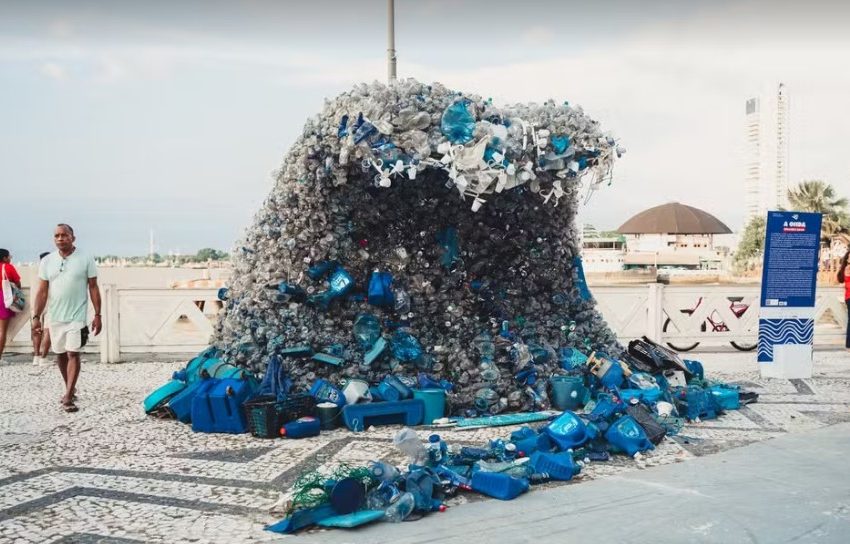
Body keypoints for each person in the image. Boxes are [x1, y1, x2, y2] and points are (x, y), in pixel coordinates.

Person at [32, 225, 102, 412]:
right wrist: (36, 316)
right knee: (60, 354)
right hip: (55, 316)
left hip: (77, 316)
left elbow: (93, 287)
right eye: (57, 236)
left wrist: (97, 314)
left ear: (73, 238)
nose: (60, 238)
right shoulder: (47, 261)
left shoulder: (85, 258)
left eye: (64, 235)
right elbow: (42, 291)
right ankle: (70, 387)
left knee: (73, 353)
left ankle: (69, 396)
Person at [0, 248, 23, 364]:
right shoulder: (8, 267)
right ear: (4, 258)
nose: (10, 258)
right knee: (2, 331)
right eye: (9, 256)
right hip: (3, 297)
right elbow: (18, 283)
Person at [31, 252, 53, 365]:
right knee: (48, 330)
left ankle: (36, 356)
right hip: (50, 303)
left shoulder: (35, 271)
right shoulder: (52, 271)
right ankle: (43, 358)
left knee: (36, 330)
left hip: (35, 304)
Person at [839, 250, 850, 351]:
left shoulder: (845, 268)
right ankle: (848, 345)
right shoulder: (848, 268)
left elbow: (842, 281)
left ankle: (848, 345)